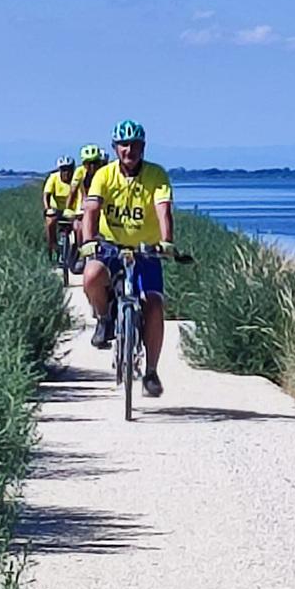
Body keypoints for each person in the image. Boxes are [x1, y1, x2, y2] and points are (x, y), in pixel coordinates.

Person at [79, 120, 175, 398]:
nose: (129, 150)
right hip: (110, 246)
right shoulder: (104, 175)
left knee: (154, 304)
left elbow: (163, 208)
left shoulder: (156, 175)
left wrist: (166, 241)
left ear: (143, 147)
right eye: (123, 144)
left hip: (145, 249)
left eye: (134, 144)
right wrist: (88, 242)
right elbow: (92, 210)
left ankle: (152, 372)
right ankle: (105, 317)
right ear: (115, 148)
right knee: (92, 276)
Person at [66, 144, 107, 246]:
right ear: (84, 164)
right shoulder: (80, 172)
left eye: (95, 163)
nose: (92, 167)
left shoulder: (105, 172)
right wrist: (68, 208)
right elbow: (73, 191)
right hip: (83, 207)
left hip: (103, 209)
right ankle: (81, 252)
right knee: (79, 227)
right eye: (88, 163)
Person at [42, 155, 75, 260]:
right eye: (63, 170)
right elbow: (46, 195)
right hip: (56, 210)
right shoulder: (54, 178)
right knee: (50, 222)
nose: (66, 173)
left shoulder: (77, 178)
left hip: (71, 210)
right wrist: (47, 209)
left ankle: (77, 253)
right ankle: (52, 246)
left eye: (69, 170)